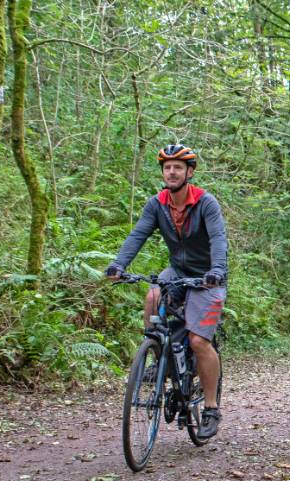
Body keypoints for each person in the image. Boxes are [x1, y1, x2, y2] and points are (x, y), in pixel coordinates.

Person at [105, 144, 228, 439]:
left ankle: (210, 408)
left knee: (199, 340)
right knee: (152, 295)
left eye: (177, 167)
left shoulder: (206, 203)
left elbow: (218, 239)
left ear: (190, 172)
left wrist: (217, 271)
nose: (171, 172)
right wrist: (118, 265)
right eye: (167, 167)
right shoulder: (157, 204)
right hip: (177, 271)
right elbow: (138, 235)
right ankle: (158, 355)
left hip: (207, 277)